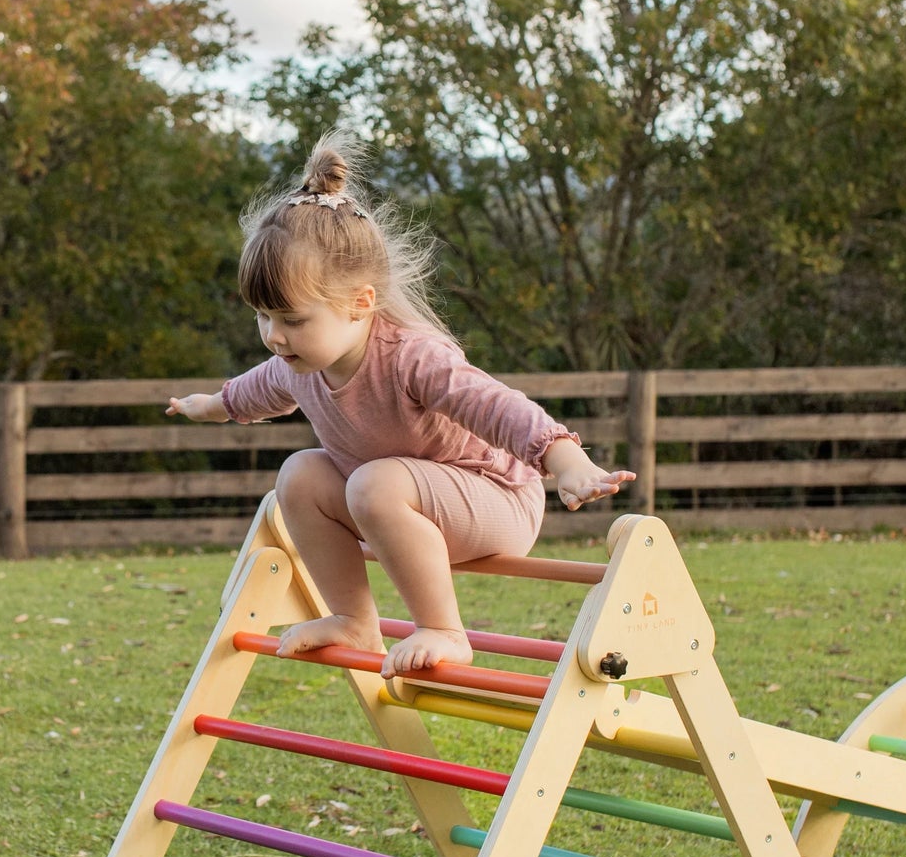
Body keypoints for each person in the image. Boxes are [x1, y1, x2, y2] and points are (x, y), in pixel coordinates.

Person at [167, 133, 634, 678]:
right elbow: (245, 395)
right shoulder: (296, 367)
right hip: (404, 502)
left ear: (361, 304)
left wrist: (565, 461)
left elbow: (498, 407)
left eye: (293, 320)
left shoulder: (413, 357)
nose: (274, 336)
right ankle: (352, 618)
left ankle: (444, 630)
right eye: (263, 316)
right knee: (299, 474)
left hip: (497, 500)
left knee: (373, 481)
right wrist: (208, 406)